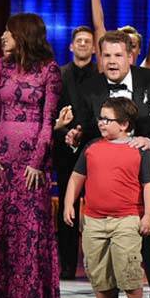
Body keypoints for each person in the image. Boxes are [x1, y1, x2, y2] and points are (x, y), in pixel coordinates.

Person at [66, 30, 150, 298]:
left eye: (118, 55)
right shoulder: (90, 88)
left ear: (130, 56)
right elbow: (89, 132)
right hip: (110, 191)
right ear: (99, 58)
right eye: (106, 56)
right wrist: (74, 135)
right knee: (104, 255)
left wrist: (148, 141)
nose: (112, 61)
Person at [0, 13, 63, 298]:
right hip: (2, 163)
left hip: (31, 166)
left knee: (28, 232)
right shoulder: (0, 67)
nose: (2, 37)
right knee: (0, 231)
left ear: (24, 35)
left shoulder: (49, 70)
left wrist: (38, 162)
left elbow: (47, 122)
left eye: (8, 32)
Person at [64, 97, 150, 298]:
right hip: (94, 220)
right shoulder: (92, 147)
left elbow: (149, 184)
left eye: (108, 119)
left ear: (124, 124)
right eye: (101, 118)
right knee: (97, 266)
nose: (101, 123)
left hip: (126, 219)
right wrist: (68, 204)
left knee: (128, 264)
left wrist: (149, 216)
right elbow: (76, 178)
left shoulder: (138, 149)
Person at [52, 26, 99, 280]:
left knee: (94, 210)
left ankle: (94, 266)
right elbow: (52, 113)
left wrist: (82, 131)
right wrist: (66, 134)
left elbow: (101, 112)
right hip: (65, 150)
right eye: (78, 41)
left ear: (94, 48)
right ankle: (66, 265)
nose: (82, 44)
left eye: (87, 41)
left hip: (93, 150)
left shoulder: (100, 76)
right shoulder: (58, 76)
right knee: (66, 209)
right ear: (71, 46)